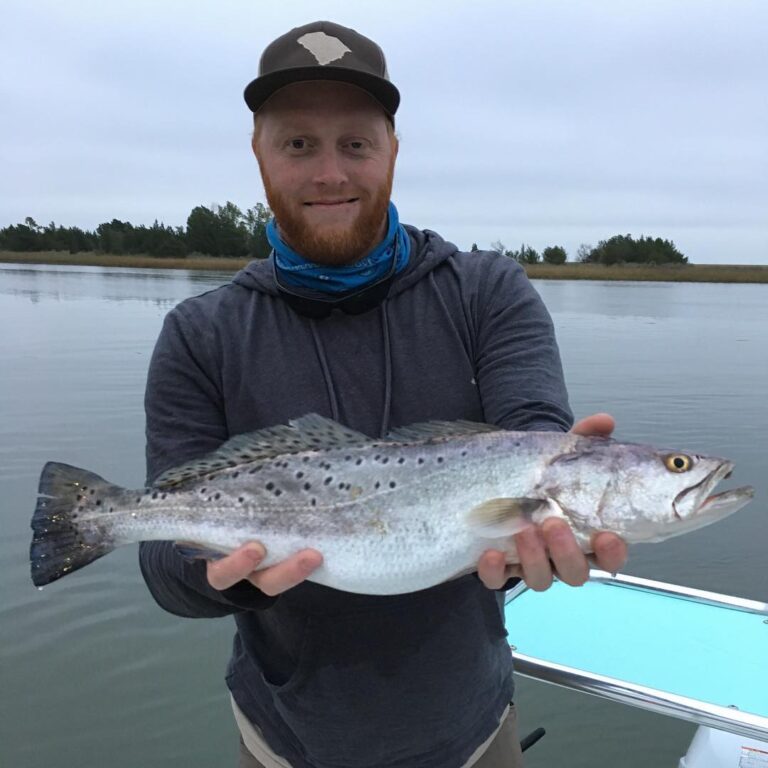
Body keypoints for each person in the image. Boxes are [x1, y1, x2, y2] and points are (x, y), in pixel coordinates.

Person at [139, 20, 627, 768]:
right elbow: (164, 564)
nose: (330, 173)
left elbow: (532, 424)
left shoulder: (487, 291)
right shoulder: (200, 332)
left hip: (473, 730)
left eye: (356, 144)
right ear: (259, 153)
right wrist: (226, 580)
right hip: (284, 739)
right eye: (298, 143)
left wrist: (550, 494)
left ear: (393, 150)